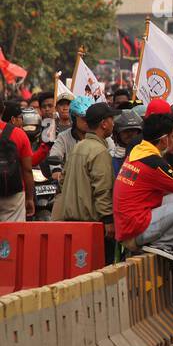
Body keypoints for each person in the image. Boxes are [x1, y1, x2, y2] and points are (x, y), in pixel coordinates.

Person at [113, 113, 173, 259]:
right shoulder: (154, 163)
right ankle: (162, 245)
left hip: (127, 226)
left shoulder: (137, 152)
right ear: (164, 140)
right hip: (134, 229)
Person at [51, 102, 115, 250]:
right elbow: (102, 189)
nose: (114, 123)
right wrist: (108, 220)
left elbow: (63, 181)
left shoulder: (78, 147)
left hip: (72, 224)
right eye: (112, 119)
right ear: (104, 124)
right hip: (92, 225)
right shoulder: (99, 151)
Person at [0, 100, 36, 221]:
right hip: (13, 194)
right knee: (12, 235)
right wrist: (30, 198)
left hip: (13, 192)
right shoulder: (19, 134)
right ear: (3, 109)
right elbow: (27, 170)